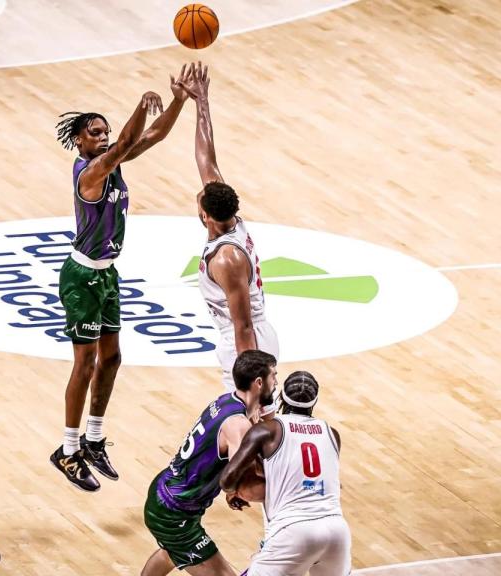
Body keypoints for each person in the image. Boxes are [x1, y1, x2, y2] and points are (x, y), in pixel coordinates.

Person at [50, 66, 194, 492]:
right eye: (95, 132)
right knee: (85, 363)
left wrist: (179, 101)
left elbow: (151, 137)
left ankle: (94, 439)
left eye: (105, 131)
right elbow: (130, 139)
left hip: (108, 275)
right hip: (82, 277)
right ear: (79, 140)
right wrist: (140, 104)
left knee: (112, 359)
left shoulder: (113, 161)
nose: (103, 136)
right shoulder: (89, 172)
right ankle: (68, 449)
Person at [140, 350, 279, 576]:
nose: (276, 383)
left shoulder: (226, 401)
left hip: (166, 492)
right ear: (259, 382)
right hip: (174, 511)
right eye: (274, 376)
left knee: (173, 553)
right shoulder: (237, 425)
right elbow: (243, 484)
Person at [187, 62, 280, 394]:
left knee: (245, 424)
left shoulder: (227, 258)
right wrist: (201, 102)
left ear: (206, 217)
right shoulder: (225, 213)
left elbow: (242, 325)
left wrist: (252, 385)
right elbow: (206, 158)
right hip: (245, 337)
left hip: (247, 344)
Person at [221, 371, 350, 576]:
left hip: (294, 530)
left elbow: (227, 479)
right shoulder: (332, 433)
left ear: (281, 397)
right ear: (314, 401)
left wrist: (234, 490)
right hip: (337, 530)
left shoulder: (267, 430)